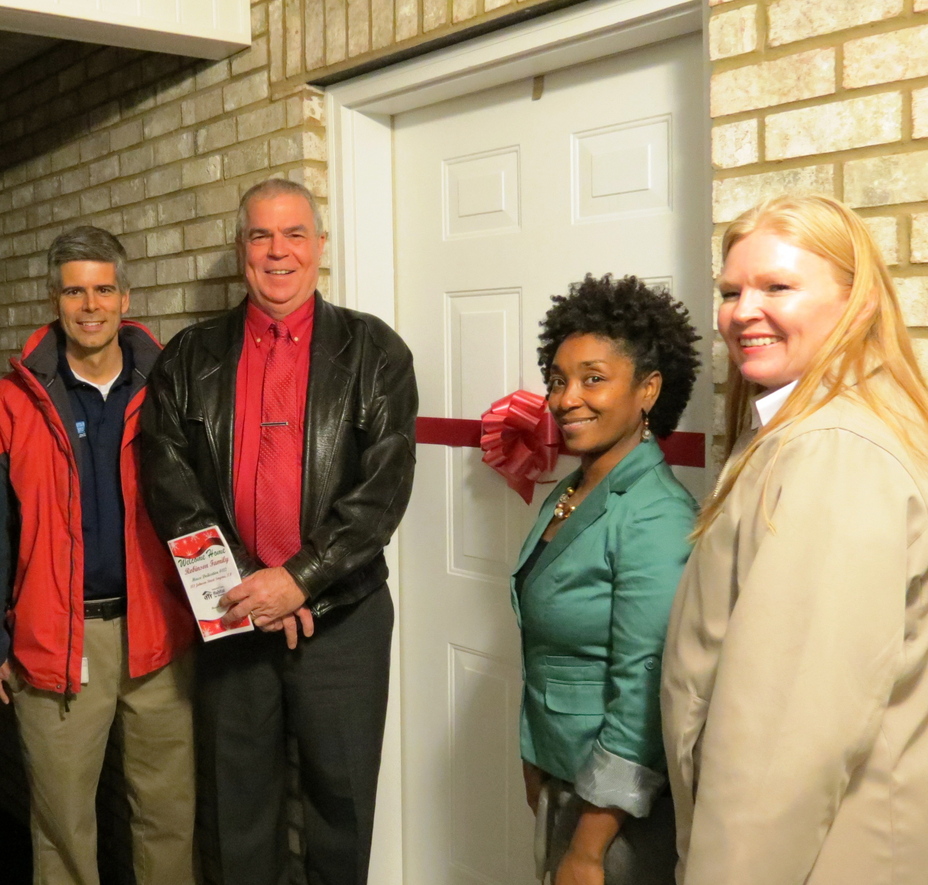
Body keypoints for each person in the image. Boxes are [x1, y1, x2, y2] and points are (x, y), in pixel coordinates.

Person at [140, 179, 418, 885]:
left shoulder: (376, 352)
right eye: (261, 235)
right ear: (242, 250)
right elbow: (170, 483)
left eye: (294, 233)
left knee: (342, 809)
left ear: (320, 246)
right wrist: (245, 587)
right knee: (238, 816)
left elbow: (381, 492)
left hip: (345, 619)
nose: (278, 251)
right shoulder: (189, 356)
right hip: (232, 618)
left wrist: (297, 579)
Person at [661, 193, 928, 885]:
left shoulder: (833, 449)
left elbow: (786, 739)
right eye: (731, 290)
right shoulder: (805, 424)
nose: (743, 310)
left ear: (858, 302)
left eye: (777, 286)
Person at [0, 226, 196, 885]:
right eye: (75, 291)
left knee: (168, 817)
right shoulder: (14, 402)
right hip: (56, 642)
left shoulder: (168, 389)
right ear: (54, 301)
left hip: (157, 637)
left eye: (103, 289)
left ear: (125, 296)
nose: (91, 305)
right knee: (62, 829)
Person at [514, 274, 700, 885]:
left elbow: (645, 688)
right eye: (558, 380)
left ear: (648, 390)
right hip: (564, 779)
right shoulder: (577, 486)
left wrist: (589, 847)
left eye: (594, 378)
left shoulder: (655, 513)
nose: (568, 398)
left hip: (614, 812)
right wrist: (536, 752)